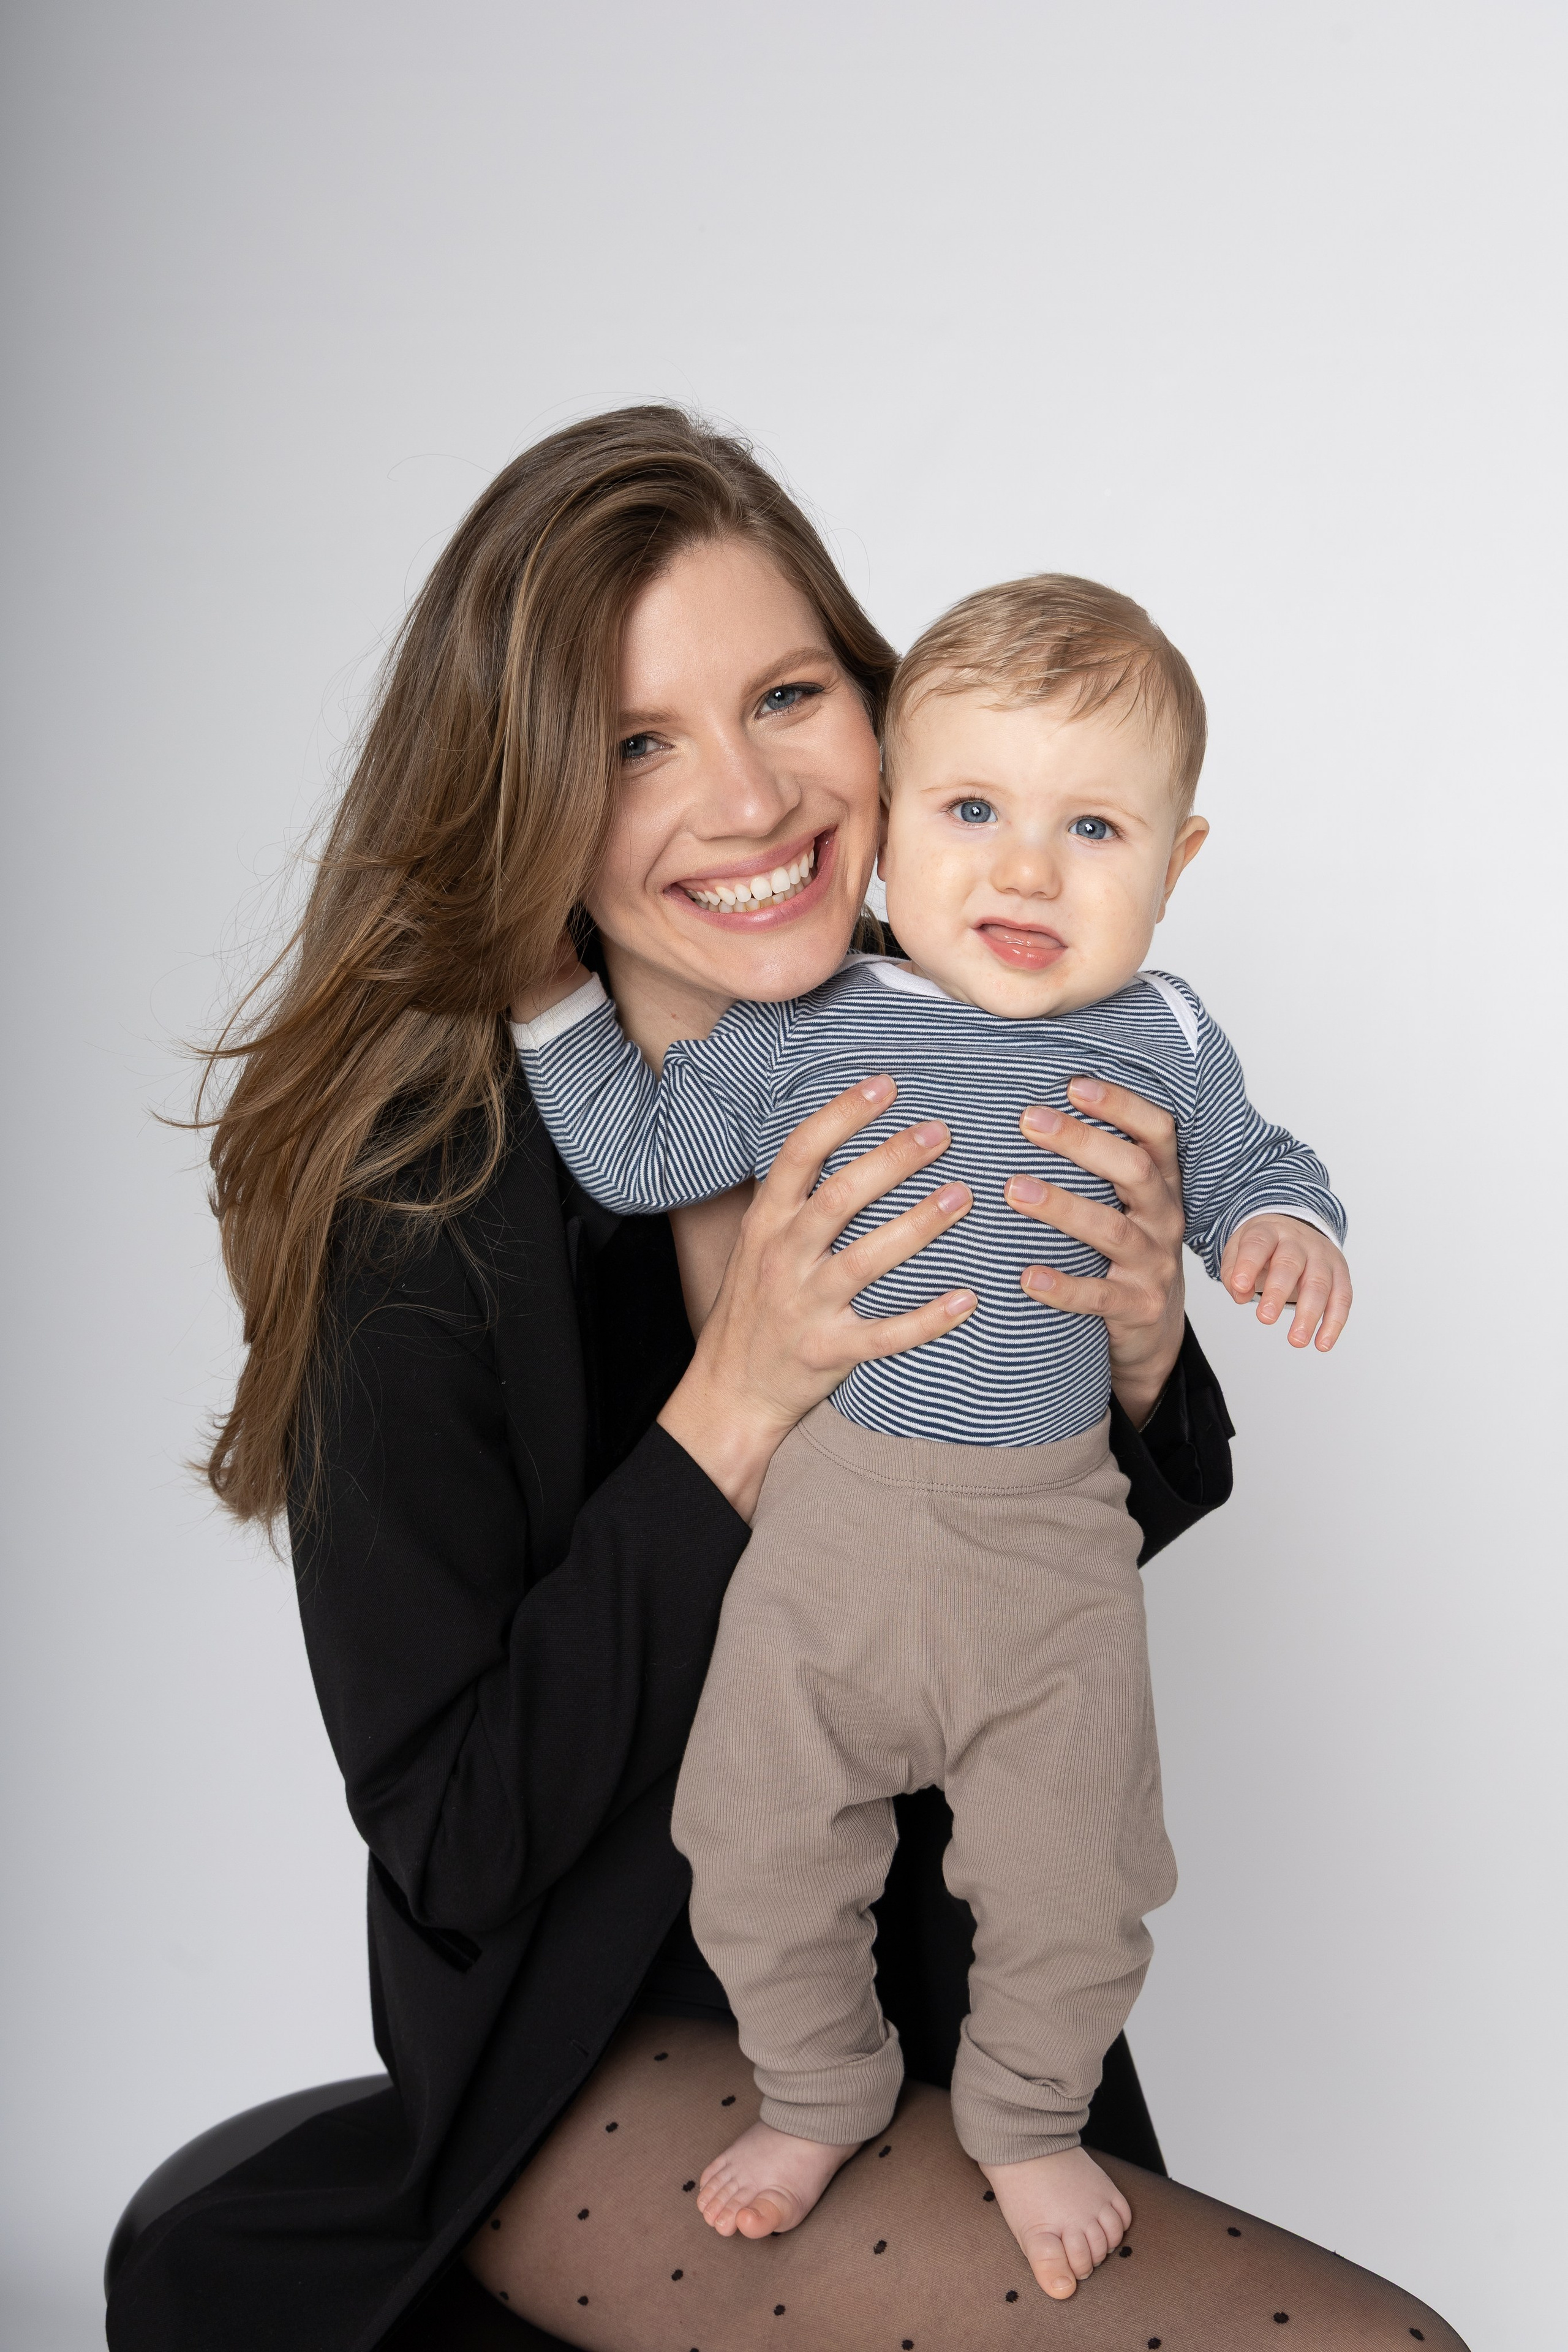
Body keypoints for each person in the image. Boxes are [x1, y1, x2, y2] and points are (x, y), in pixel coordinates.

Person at [105, 407, 1464, 2352]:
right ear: (532, 801)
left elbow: (1014, 1552)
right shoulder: (420, 1223)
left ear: (884, 715)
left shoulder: (975, 1010)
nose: (744, 799)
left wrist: (1153, 1356)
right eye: (637, 743)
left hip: (955, 2011)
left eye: (788, 694)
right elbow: (465, 1843)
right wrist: (729, 1405)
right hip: (595, 2067)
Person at [508, 571, 1352, 2302]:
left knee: (1076, 1883)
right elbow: (643, 1157)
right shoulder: (808, 1027)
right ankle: (821, 2090)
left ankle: (1030, 2117)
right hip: (825, 1549)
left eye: (1093, 827)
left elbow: (1260, 1163)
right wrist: (543, 1000)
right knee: (751, 1844)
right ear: (887, 834)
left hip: (1050, 1569)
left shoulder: (1166, 1035)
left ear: (1177, 866)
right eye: (973, 812)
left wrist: (1285, 1232)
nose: (1028, 871)